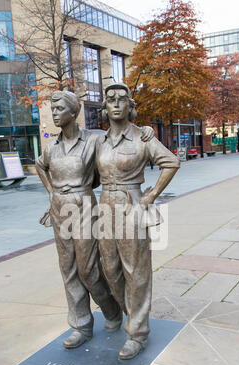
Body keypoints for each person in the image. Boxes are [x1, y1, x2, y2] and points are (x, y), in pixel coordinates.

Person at [36, 90, 154, 350]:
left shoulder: (94, 139)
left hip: (85, 206)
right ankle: (80, 325)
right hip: (59, 208)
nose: (54, 114)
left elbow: (122, 136)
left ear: (72, 112)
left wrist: (146, 130)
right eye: (52, 110)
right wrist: (51, 192)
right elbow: (39, 166)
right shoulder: (52, 147)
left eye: (58, 109)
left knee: (90, 269)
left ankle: (112, 310)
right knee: (68, 269)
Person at [96, 83, 180, 360]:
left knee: (136, 271)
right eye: (111, 100)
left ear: (129, 106)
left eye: (122, 99)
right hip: (105, 206)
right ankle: (130, 313)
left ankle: (138, 332)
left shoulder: (142, 138)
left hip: (132, 203)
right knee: (110, 269)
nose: (116, 103)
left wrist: (152, 195)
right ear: (105, 107)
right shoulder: (100, 140)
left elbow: (171, 162)